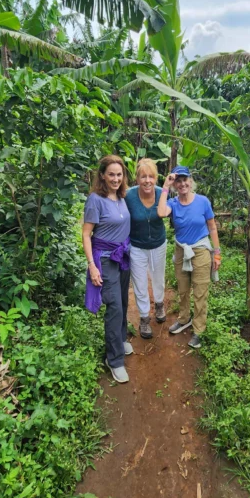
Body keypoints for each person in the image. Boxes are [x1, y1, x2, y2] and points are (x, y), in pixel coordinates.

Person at [157, 166, 221, 349]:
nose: (183, 183)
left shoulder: (203, 201)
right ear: (175, 184)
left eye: (185, 180)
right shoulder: (173, 203)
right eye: (179, 180)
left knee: (200, 292)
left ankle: (199, 330)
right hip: (181, 250)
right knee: (183, 290)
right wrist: (165, 186)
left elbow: (212, 227)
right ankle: (184, 319)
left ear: (191, 181)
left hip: (200, 250)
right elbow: (161, 213)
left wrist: (217, 253)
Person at [82, 155, 131, 384]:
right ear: (102, 175)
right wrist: (92, 266)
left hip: (122, 257)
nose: (115, 178)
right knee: (115, 307)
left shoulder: (121, 197)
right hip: (104, 259)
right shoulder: (95, 199)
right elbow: (86, 234)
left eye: (119, 174)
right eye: (111, 174)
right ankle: (115, 360)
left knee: (123, 301)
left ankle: (121, 339)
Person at [125, 158, 167, 339]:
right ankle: (143, 318)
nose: (147, 180)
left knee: (158, 277)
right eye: (143, 177)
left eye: (151, 176)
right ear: (137, 179)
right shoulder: (129, 196)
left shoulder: (162, 194)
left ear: (156, 178)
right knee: (140, 283)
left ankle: (159, 304)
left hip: (158, 244)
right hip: (137, 246)